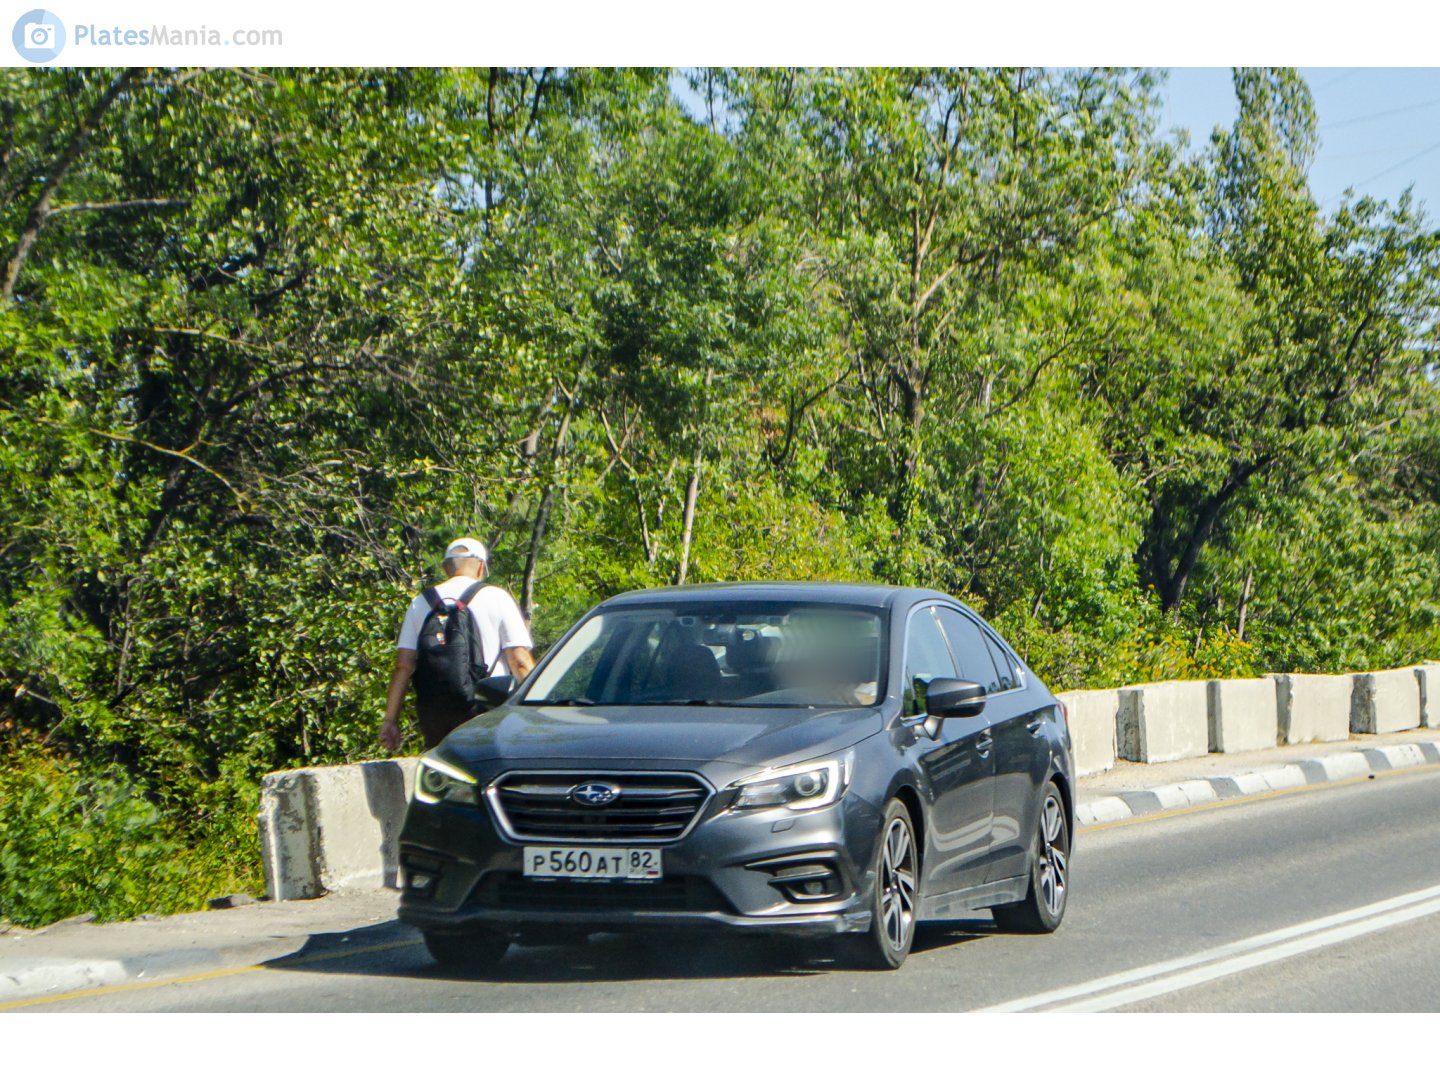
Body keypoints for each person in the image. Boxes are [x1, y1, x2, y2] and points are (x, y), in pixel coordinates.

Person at [379, 537, 536, 751]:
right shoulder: (497, 597)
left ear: (445, 568)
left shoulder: (421, 602)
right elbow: (519, 661)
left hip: (435, 715)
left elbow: (403, 665)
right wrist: (539, 709)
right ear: (481, 567)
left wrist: (390, 721)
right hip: (486, 711)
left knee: (442, 776)